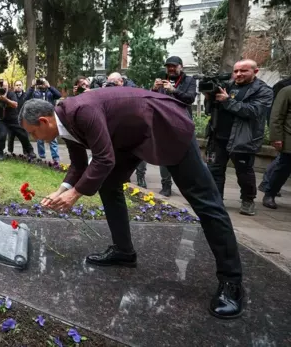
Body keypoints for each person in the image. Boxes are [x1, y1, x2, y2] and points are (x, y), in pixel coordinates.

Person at [18, 90, 244, 319]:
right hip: (130, 137)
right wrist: (61, 191)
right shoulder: (64, 122)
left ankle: (231, 283)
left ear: (44, 121)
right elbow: (78, 165)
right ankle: (124, 251)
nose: (36, 139)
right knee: (108, 184)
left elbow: (104, 158)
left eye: (33, 132)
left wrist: (75, 194)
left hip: (165, 126)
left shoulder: (82, 111)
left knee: (206, 203)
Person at [202, 59, 273, 216]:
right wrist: (209, 98)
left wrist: (228, 101)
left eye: (243, 71)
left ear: (255, 71)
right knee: (214, 171)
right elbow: (210, 110)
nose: (238, 74)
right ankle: (216, 201)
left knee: (244, 172)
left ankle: (248, 200)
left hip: (243, 139)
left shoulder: (264, 91)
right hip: (218, 136)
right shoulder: (226, 85)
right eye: (236, 71)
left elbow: (253, 111)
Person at [149, 56, 197, 196]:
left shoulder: (189, 81)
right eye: (168, 66)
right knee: (164, 156)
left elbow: (190, 98)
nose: (171, 68)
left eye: (174, 66)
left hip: (183, 122)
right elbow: (151, 101)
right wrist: (153, 89)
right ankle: (166, 186)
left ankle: (189, 185)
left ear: (181, 67)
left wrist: (174, 90)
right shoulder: (162, 81)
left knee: (187, 155)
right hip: (164, 122)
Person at [258, 75, 291, 196]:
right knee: (283, 163)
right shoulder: (285, 87)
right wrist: (276, 136)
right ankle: (268, 185)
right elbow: (276, 114)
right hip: (285, 132)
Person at [0, 80, 35, 161]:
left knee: (23, 134)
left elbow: (15, 104)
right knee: (1, 135)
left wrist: (5, 99)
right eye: (1, 87)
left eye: (5, 87)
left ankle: (30, 151)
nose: (3, 89)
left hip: (13, 119)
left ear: (8, 88)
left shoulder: (11, 93)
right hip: (1, 119)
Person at [24, 78, 62, 164]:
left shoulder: (50, 92)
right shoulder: (35, 93)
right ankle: (42, 157)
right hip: (39, 118)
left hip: (50, 118)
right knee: (40, 139)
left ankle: (55, 158)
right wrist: (32, 86)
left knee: (53, 138)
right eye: (39, 82)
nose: (41, 84)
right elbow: (26, 98)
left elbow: (59, 95)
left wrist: (49, 86)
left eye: (42, 82)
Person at [7, 80, 27, 154]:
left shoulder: (25, 96)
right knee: (10, 137)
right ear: (14, 86)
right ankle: (10, 152)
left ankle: (26, 153)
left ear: (22, 86)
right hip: (12, 120)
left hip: (23, 121)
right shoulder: (11, 95)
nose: (18, 86)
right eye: (17, 85)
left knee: (24, 137)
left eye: (20, 85)